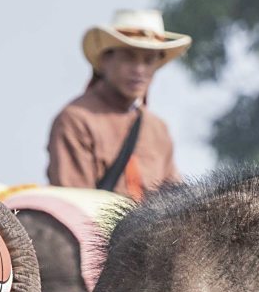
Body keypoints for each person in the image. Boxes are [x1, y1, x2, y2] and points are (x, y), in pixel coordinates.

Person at [46, 11, 191, 198]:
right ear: (105, 60)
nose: (139, 70)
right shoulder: (76, 119)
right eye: (129, 57)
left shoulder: (158, 130)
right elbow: (75, 205)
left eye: (148, 60)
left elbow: (175, 203)